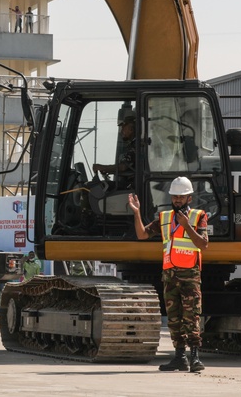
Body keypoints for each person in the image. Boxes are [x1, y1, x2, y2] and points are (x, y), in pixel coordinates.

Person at [128, 177, 209, 372]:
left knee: (191, 317)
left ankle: (195, 358)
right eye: (175, 197)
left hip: (190, 276)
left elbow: (203, 244)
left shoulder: (199, 216)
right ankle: (179, 357)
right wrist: (137, 213)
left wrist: (187, 225)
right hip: (170, 277)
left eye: (181, 197)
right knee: (174, 318)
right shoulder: (164, 218)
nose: (178, 200)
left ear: (189, 198)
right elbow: (142, 235)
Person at [93, 114, 136, 187]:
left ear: (131, 129)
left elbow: (123, 167)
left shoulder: (136, 146)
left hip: (130, 186)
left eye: (123, 128)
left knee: (95, 187)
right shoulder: (133, 145)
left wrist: (102, 167)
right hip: (128, 184)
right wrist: (107, 170)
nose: (121, 131)